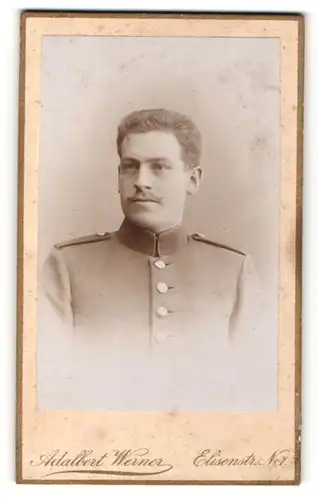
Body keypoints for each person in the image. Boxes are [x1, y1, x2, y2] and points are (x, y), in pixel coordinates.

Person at [39, 108, 266, 411]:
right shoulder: (66, 266)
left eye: (159, 167)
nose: (141, 181)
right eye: (130, 167)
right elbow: (49, 390)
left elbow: (252, 390)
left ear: (193, 179)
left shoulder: (235, 270)